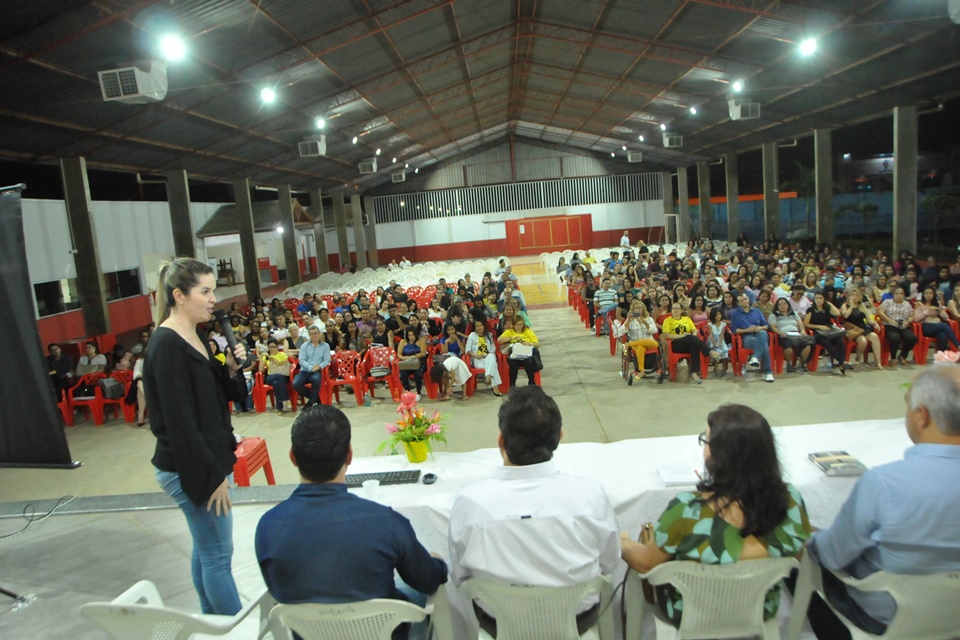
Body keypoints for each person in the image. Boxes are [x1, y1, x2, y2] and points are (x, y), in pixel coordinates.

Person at [256, 405, 446, 639]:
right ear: (349, 455)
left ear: (292, 457)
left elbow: (279, 590)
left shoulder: (268, 527)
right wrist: (437, 564)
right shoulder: (386, 523)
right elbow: (428, 581)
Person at [802, 364, 960, 639]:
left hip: (891, 615)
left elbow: (832, 555)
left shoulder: (886, 483)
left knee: (803, 562)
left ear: (922, 416)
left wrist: (811, 539)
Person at [448, 387, 620, 637]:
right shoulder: (589, 494)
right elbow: (610, 562)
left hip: (499, 624)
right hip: (576, 620)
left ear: (501, 440)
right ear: (559, 437)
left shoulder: (470, 501)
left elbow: (460, 575)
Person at [621, 404, 811, 628]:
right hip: (760, 609)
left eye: (707, 442)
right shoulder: (791, 501)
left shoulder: (687, 511)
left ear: (719, 456)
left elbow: (645, 564)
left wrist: (622, 542)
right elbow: (796, 554)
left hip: (692, 614)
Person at [144, 258, 246, 615]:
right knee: (219, 556)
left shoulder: (196, 336)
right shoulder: (167, 344)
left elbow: (216, 398)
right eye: (205, 291)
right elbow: (179, 422)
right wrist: (210, 476)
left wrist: (230, 368)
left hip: (205, 458)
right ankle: (237, 628)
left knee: (207, 549)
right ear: (178, 295)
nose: (212, 298)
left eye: (213, 290)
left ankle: (210, 623)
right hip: (191, 466)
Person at [661, 303, 720, 384]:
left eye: (677, 308)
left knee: (694, 345)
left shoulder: (687, 319)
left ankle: (694, 373)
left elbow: (694, 330)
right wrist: (682, 336)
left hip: (689, 342)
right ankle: (710, 352)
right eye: (673, 308)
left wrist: (692, 336)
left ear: (681, 310)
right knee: (691, 339)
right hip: (676, 344)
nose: (674, 310)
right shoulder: (667, 321)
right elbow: (666, 335)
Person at [730, 292, 775, 382]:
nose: (745, 301)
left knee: (763, 333)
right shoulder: (735, 314)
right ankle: (768, 372)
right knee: (764, 345)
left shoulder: (756, 311)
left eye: (745, 299)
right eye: (741, 301)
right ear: (738, 303)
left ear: (749, 299)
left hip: (759, 334)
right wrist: (747, 330)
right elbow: (734, 330)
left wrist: (760, 327)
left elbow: (766, 326)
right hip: (746, 337)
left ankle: (755, 357)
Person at [804, 292, 847, 375]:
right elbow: (806, 324)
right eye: (816, 298)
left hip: (830, 332)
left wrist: (829, 304)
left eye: (820, 298)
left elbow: (837, 313)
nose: (818, 300)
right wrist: (819, 326)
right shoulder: (811, 310)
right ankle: (842, 362)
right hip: (818, 333)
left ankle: (842, 363)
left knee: (840, 340)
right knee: (826, 343)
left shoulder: (827, 309)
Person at [615, 300, 658, 381]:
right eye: (636, 308)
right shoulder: (630, 320)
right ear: (633, 310)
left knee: (655, 344)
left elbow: (654, 331)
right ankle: (642, 370)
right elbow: (620, 332)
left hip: (649, 342)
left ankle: (629, 344)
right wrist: (628, 320)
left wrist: (644, 323)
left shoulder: (649, 319)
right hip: (636, 345)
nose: (638, 310)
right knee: (640, 348)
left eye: (639, 308)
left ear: (643, 309)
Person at [840, 290, 884, 368]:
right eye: (852, 295)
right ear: (849, 297)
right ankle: (858, 359)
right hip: (853, 329)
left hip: (862, 327)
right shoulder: (845, 306)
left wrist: (874, 323)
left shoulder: (862, 305)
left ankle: (878, 362)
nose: (854, 297)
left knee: (875, 337)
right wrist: (851, 305)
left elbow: (868, 319)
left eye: (856, 295)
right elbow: (845, 316)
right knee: (863, 341)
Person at [769, 297, 813, 373]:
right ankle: (789, 365)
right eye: (780, 305)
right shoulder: (774, 315)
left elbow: (800, 324)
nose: (782, 306)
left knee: (808, 343)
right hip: (784, 334)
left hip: (796, 333)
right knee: (787, 344)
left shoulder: (794, 313)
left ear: (788, 304)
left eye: (784, 304)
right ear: (777, 306)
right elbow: (773, 327)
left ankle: (801, 365)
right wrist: (780, 333)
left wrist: (802, 331)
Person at [913, 286, 960, 352]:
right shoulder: (919, 304)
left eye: (931, 293)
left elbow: (946, 317)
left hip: (936, 326)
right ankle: (957, 345)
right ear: (923, 294)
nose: (928, 295)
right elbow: (915, 319)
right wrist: (927, 311)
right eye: (926, 293)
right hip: (924, 327)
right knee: (943, 325)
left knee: (943, 336)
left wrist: (940, 310)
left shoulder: (936, 304)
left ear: (934, 294)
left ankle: (939, 355)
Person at [497, 317, 539, 387]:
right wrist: (510, 338)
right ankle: (512, 384)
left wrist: (530, 344)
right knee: (513, 364)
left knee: (530, 361)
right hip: (514, 355)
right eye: (517, 324)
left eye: (520, 324)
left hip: (526, 355)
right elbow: (499, 340)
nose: (519, 326)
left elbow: (537, 345)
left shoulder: (528, 331)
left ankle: (531, 381)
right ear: (513, 325)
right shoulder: (509, 332)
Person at [464, 319, 502, 396]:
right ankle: (494, 386)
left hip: (487, 358)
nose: (480, 327)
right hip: (478, 359)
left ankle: (488, 376)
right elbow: (467, 350)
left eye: (481, 325)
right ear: (475, 328)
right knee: (493, 365)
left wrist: (487, 355)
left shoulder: (489, 335)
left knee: (491, 356)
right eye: (477, 326)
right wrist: (475, 355)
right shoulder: (472, 335)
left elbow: (493, 348)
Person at [397, 327, 427, 399]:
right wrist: (404, 358)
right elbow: (399, 354)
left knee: (417, 375)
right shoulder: (403, 342)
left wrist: (415, 356)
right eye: (409, 335)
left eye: (412, 335)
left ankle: (418, 392)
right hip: (406, 363)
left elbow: (423, 353)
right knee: (403, 375)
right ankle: (408, 391)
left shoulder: (420, 341)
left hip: (418, 363)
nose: (411, 337)